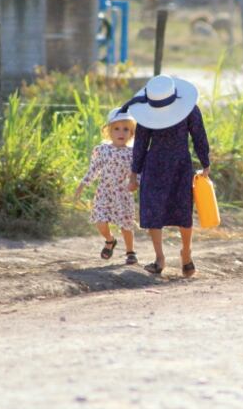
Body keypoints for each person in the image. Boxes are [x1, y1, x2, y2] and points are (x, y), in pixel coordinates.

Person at [121, 75, 211, 278]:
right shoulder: (148, 114)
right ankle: (160, 258)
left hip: (176, 166)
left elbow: (199, 136)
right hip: (159, 166)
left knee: (181, 209)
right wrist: (134, 173)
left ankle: (185, 253)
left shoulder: (189, 109)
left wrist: (205, 163)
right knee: (157, 210)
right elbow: (141, 144)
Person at [74, 108, 139, 265]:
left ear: (132, 133)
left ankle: (130, 252)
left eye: (126, 129)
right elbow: (94, 169)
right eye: (116, 129)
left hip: (122, 193)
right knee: (100, 222)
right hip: (104, 192)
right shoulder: (102, 150)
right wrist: (82, 185)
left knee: (126, 225)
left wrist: (135, 182)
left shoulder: (133, 153)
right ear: (109, 131)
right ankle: (110, 240)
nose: (121, 133)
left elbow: (137, 172)